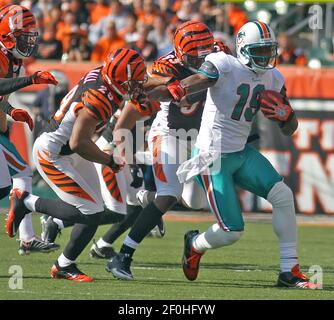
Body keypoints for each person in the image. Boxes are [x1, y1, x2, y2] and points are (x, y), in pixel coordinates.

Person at [144, 20, 317, 289]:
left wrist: (288, 116)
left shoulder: (274, 77)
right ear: (244, 49)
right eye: (259, 50)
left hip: (240, 151)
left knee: (283, 196)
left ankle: (289, 270)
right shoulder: (223, 63)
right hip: (213, 157)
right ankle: (195, 243)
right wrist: (178, 87)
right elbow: (200, 79)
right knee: (232, 231)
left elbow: (289, 129)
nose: (266, 56)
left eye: (269, 50)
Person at [6, 48, 152, 282]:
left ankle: (64, 265)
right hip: (54, 153)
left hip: (69, 150)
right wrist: (109, 160)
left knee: (95, 210)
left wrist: (168, 83)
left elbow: (79, 141)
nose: (138, 85)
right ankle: (26, 201)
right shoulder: (100, 98)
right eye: (134, 81)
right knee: (91, 210)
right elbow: (79, 142)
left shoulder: (105, 79)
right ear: (121, 80)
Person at [106, 21, 231, 280]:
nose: (202, 58)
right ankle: (123, 256)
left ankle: (148, 198)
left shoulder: (220, 53)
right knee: (169, 194)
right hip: (170, 133)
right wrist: (170, 87)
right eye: (195, 55)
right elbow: (158, 91)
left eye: (205, 52)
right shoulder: (166, 66)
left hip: (202, 137)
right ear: (180, 53)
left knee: (196, 201)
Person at [0, 4, 59, 255]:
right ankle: (26, 238)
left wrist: (12, 111)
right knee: (14, 177)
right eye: (24, 37)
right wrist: (32, 79)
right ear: (7, 36)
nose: (29, 42)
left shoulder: (13, 60)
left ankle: (27, 238)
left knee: (15, 177)